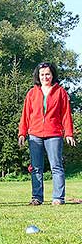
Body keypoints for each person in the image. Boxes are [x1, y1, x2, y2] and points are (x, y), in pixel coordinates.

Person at [18, 62, 76, 206]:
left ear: (52, 75)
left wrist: (68, 133)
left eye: (48, 74)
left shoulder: (60, 92)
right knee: (36, 168)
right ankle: (37, 197)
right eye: (42, 74)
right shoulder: (31, 93)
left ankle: (58, 198)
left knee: (56, 166)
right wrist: (22, 133)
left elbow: (66, 114)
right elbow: (25, 115)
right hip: (34, 134)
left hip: (54, 134)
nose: (45, 77)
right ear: (38, 76)